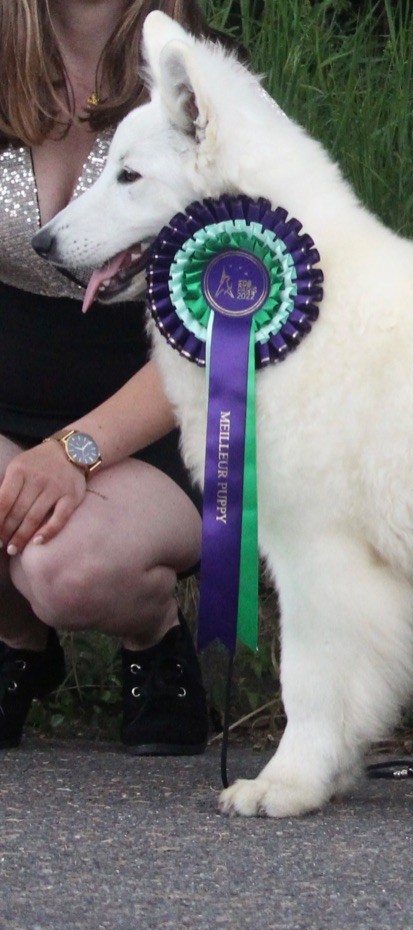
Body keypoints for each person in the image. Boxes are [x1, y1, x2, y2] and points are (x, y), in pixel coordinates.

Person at [0, 0, 227, 753]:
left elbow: (219, 330)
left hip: (159, 423)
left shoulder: (204, 83)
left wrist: (77, 450)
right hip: (7, 411)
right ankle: (15, 640)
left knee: (68, 568)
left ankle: (154, 642)